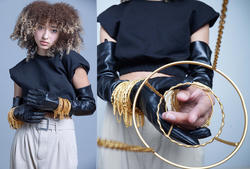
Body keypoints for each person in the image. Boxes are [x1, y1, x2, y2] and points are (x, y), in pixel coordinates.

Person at [97, 0, 219, 168]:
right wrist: (138, 94)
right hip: (123, 114)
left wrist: (201, 97)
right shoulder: (112, 16)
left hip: (177, 111)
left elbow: (202, 75)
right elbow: (103, 79)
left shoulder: (195, 11)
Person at [7, 1, 96, 169]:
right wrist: (19, 113)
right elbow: (14, 109)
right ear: (30, 27)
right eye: (40, 27)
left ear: (63, 32)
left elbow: (89, 105)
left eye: (53, 30)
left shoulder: (71, 61)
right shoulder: (22, 69)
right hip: (25, 135)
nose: (45, 36)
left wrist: (57, 104)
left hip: (59, 132)